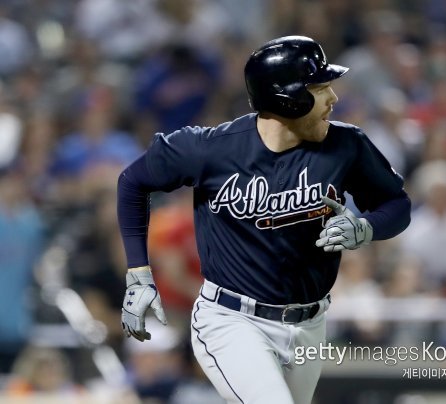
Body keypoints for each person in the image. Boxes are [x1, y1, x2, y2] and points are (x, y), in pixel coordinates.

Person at [117, 36, 411, 404]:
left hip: (310, 324)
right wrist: (138, 272)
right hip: (232, 319)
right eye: (319, 88)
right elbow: (133, 181)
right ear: (287, 99)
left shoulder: (346, 144)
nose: (333, 98)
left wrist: (367, 228)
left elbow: (396, 204)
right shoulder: (211, 148)